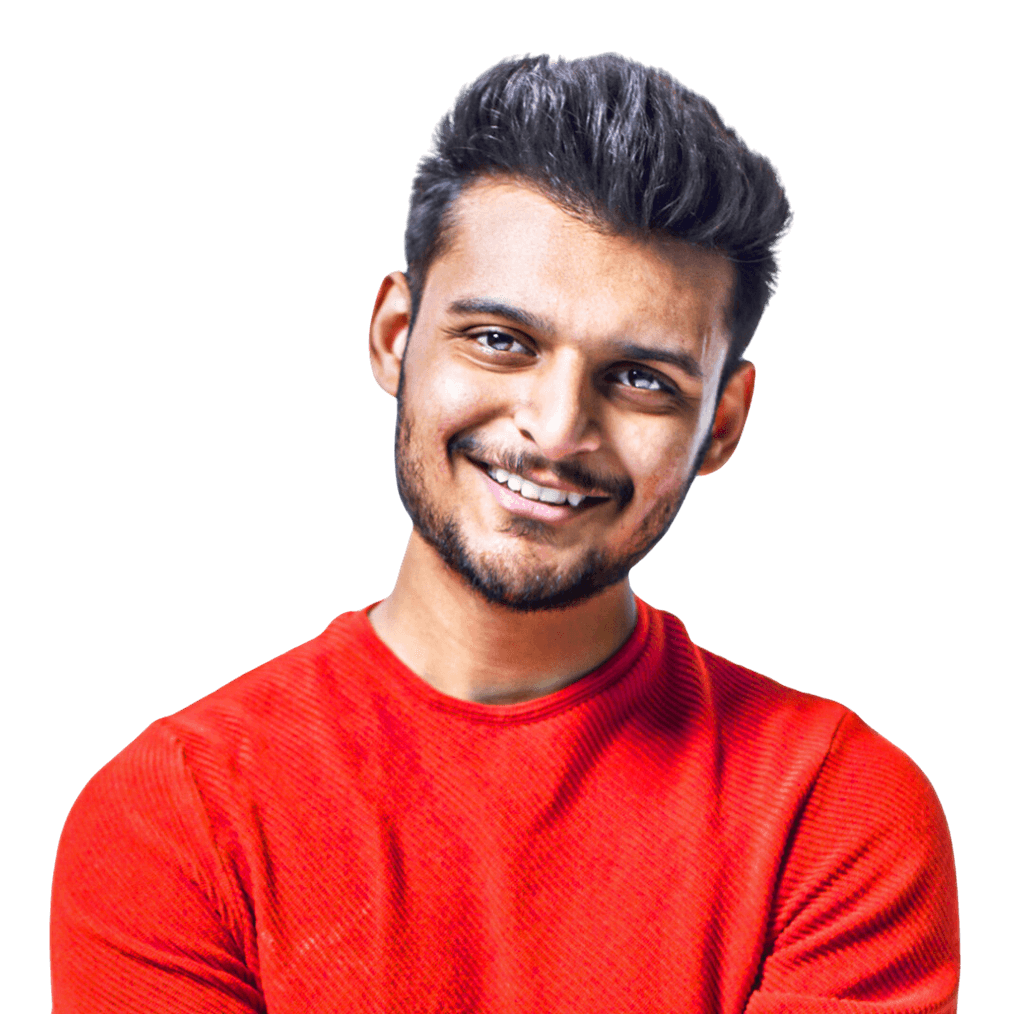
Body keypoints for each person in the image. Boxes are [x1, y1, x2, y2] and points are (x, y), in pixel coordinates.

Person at [50, 53, 960, 1012]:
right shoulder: (178, 815)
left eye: (643, 378)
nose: (558, 428)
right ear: (397, 337)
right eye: (500, 340)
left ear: (722, 426)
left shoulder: (833, 810)